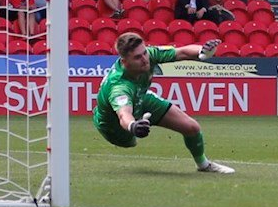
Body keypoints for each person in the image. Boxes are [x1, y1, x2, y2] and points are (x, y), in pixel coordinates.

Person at [94, 32, 234, 174]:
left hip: (140, 98)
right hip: (113, 126)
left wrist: (202, 51)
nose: (144, 59)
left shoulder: (150, 55)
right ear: (124, 62)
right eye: (137, 57)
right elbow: (124, 114)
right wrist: (133, 125)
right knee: (130, 142)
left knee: (192, 128)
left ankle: (204, 165)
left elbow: (182, 52)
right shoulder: (119, 86)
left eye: (144, 53)